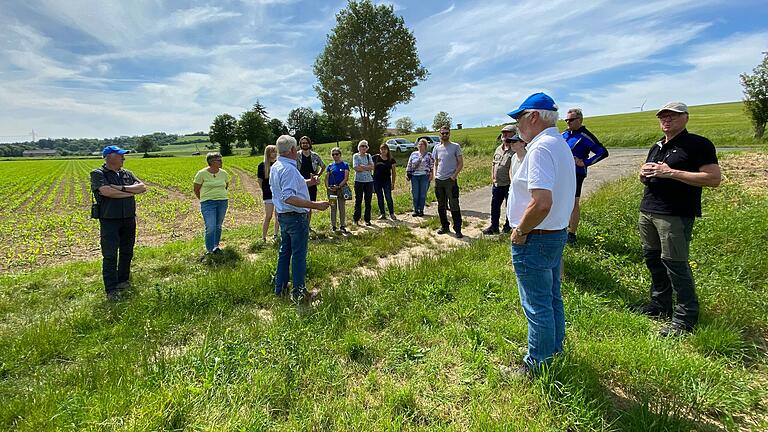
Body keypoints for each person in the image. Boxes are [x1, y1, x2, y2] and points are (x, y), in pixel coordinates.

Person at [505, 92, 575, 375]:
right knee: (551, 296)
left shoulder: (539, 149)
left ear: (534, 116)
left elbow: (542, 201)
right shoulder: (559, 145)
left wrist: (521, 230)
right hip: (554, 234)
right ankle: (554, 350)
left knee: (536, 304)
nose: (517, 126)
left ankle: (537, 364)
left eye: (519, 118)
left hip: (535, 237)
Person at [636, 102, 721, 337]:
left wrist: (671, 173)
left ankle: (685, 318)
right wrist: (644, 174)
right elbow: (651, 174)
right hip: (649, 210)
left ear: (685, 117)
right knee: (653, 259)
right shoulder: (657, 145)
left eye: (672, 116)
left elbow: (713, 178)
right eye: (662, 116)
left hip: (675, 214)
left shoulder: (697, 144)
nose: (666, 120)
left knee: (675, 263)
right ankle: (659, 304)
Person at [270, 135, 330, 302]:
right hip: (295, 217)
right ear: (292, 150)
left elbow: (288, 187)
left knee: (285, 253)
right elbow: (289, 196)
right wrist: (315, 205)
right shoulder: (289, 169)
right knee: (298, 255)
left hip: (283, 216)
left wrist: (308, 182)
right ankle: (299, 293)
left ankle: (280, 288)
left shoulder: (277, 166)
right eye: (296, 147)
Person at [90, 145, 148, 301]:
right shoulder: (98, 174)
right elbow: (107, 192)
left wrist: (120, 188)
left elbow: (142, 187)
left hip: (129, 217)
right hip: (109, 220)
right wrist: (129, 191)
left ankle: (123, 281)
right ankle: (111, 289)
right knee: (109, 255)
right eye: (120, 155)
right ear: (109, 157)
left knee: (127, 251)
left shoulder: (126, 173)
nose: (123, 158)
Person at [562, 108, 609, 244]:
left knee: (573, 202)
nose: (568, 122)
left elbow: (602, 152)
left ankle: (572, 234)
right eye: (566, 120)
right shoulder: (564, 134)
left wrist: (585, 162)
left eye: (571, 120)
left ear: (580, 120)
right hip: (562, 173)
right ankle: (561, 229)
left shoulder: (585, 135)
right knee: (561, 200)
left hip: (576, 173)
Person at [483, 124, 526, 235]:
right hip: (497, 184)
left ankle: (508, 226)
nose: (504, 134)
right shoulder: (499, 149)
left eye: (507, 132)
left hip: (509, 184)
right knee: (495, 206)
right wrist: (493, 177)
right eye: (503, 132)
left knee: (510, 206)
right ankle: (494, 226)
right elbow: (493, 163)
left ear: (514, 134)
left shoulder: (515, 150)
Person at [193, 152, 229, 254]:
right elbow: (196, 189)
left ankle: (215, 247)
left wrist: (220, 195)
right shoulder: (201, 174)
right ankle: (209, 250)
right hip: (208, 203)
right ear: (211, 162)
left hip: (222, 201)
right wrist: (203, 199)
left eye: (221, 159)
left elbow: (226, 185)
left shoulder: (223, 173)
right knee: (210, 226)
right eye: (218, 160)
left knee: (218, 225)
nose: (221, 162)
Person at [432, 126, 464, 238]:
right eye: (442, 133)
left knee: (454, 205)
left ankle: (458, 229)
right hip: (439, 181)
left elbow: (460, 163)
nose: (444, 135)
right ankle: (444, 226)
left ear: (449, 134)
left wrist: (454, 176)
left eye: (446, 133)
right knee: (441, 205)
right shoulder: (436, 148)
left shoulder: (455, 146)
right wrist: (435, 175)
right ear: (439, 134)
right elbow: (435, 163)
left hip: (450, 181)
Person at [296, 136, 325, 226]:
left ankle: (307, 225)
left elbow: (323, 166)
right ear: (300, 144)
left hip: (312, 184)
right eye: (302, 143)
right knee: (299, 204)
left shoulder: (315, 156)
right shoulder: (297, 155)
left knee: (310, 205)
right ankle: (300, 224)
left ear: (309, 144)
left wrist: (317, 175)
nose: (304, 144)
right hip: (300, 183)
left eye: (306, 142)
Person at [406, 138, 435, 217]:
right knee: (415, 194)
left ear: (425, 146)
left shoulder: (429, 155)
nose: (420, 145)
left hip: (424, 176)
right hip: (414, 176)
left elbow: (432, 165)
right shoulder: (413, 154)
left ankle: (421, 210)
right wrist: (407, 173)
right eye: (419, 144)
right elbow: (409, 164)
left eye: (422, 144)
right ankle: (416, 210)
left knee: (422, 194)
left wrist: (432, 174)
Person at [325, 147, 350, 233]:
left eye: (336, 154)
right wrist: (327, 187)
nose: (335, 156)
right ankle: (333, 226)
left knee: (341, 207)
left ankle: (342, 225)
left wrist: (339, 186)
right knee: (333, 207)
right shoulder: (330, 166)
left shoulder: (345, 165)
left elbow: (346, 178)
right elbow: (327, 178)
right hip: (332, 190)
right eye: (333, 154)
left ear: (340, 155)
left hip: (341, 190)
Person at [257, 145, 279, 242]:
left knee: (278, 215)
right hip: (268, 194)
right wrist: (264, 190)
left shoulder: (278, 164)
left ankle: (275, 235)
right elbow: (260, 181)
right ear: (267, 153)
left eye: (275, 151)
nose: (274, 153)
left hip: (278, 193)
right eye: (272, 151)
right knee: (268, 215)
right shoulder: (262, 165)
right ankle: (263, 237)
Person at [352, 140, 375, 226]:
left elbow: (372, 167)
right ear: (359, 147)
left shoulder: (369, 156)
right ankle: (356, 219)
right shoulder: (356, 156)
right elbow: (356, 167)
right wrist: (367, 167)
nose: (364, 148)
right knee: (358, 200)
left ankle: (367, 219)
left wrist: (363, 166)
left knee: (368, 201)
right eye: (362, 146)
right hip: (358, 181)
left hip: (369, 181)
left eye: (365, 146)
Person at [373, 143, 398, 220]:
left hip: (387, 181)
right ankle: (382, 213)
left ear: (387, 150)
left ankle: (391, 213)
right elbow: (371, 166)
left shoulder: (391, 160)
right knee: (380, 197)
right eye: (382, 149)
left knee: (388, 197)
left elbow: (394, 172)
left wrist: (393, 183)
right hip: (377, 181)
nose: (383, 151)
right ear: (380, 150)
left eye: (385, 149)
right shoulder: (375, 158)